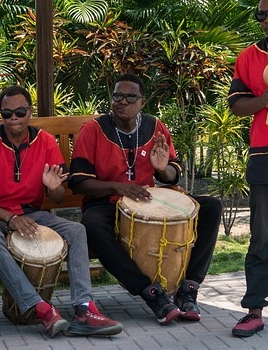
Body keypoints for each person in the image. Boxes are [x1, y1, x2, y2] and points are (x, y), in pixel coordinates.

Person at [0, 86, 123, 337]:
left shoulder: (45, 141)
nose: (13, 117)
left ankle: (84, 308)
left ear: (30, 111)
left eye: (20, 111)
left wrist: (54, 188)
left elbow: (57, 198)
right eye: (7, 113)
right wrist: (10, 219)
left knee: (76, 229)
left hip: (30, 213)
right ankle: (40, 308)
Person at [69, 73, 221, 326]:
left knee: (210, 207)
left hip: (149, 199)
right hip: (107, 202)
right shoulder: (93, 130)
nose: (123, 102)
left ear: (142, 101)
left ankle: (189, 288)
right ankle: (152, 294)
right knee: (91, 224)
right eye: (118, 96)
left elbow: (173, 174)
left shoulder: (154, 126)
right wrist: (119, 187)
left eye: (130, 97)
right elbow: (79, 181)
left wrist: (162, 168)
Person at [227, 1, 268, 337]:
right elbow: (238, 105)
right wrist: (265, 99)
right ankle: (254, 310)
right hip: (263, 157)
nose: (265, 20)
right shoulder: (248, 57)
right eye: (261, 14)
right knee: (262, 237)